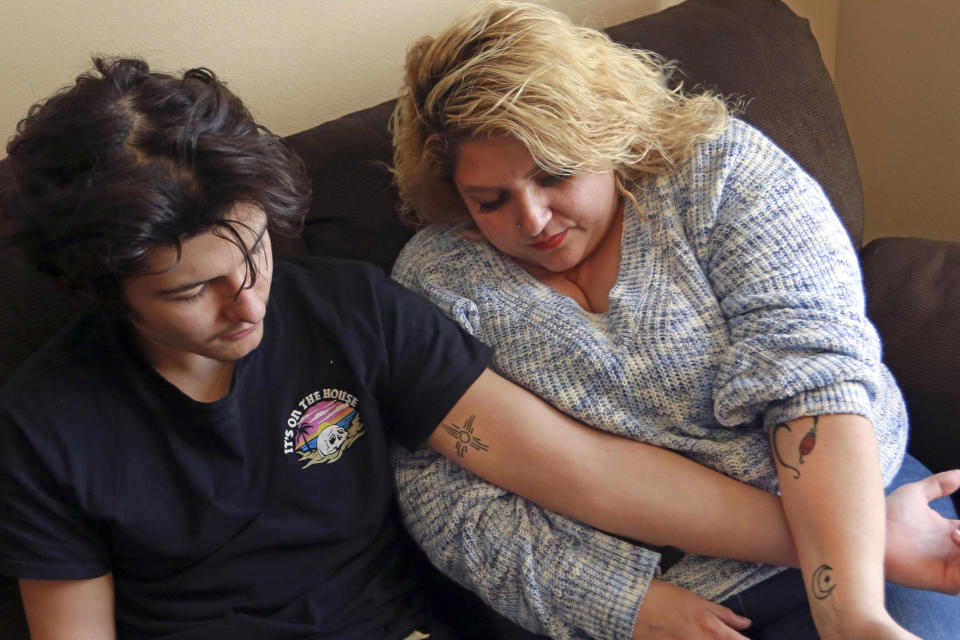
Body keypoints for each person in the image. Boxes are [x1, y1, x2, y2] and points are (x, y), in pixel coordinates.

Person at [0, 57, 956, 640]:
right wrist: (857, 547)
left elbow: (578, 472)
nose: (245, 303)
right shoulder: (47, 425)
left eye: (251, 252)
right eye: (186, 291)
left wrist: (853, 554)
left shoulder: (351, 313)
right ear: (102, 287)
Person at [388, 2, 960, 639]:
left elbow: (813, 374)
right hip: (671, 588)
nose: (533, 221)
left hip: (851, 506)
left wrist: (850, 604)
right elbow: (444, 498)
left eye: (555, 175)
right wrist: (621, 603)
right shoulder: (437, 278)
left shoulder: (717, 171)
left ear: (606, 135)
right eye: (489, 200)